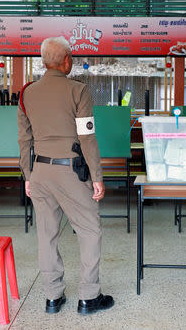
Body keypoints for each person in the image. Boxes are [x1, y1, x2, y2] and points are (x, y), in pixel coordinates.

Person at [17, 36, 114, 315]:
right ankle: (89, 297)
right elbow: (87, 137)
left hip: (40, 172)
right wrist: (97, 175)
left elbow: (24, 140)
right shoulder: (78, 90)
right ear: (67, 61)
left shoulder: (27, 93)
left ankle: (53, 297)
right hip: (71, 170)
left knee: (46, 235)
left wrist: (28, 175)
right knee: (90, 230)